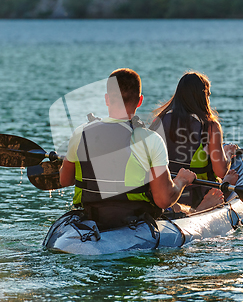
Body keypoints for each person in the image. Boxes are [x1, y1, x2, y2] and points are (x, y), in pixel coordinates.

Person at [59, 68, 196, 230]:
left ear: (107, 99)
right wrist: (181, 181)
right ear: (140, 101)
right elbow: (163, 200)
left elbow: (64, 180)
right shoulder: (151, 140)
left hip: (91, 218)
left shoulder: (80, 134)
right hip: (135, 221)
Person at [151, 71, 241, 210]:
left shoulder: (159, 121)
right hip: (196, 193)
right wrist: (228, 153)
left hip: (165, 192)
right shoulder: (209, 126)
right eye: (208, 95)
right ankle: (207, 202)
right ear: (203, 96)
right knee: (225, 177)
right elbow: (220, 171)